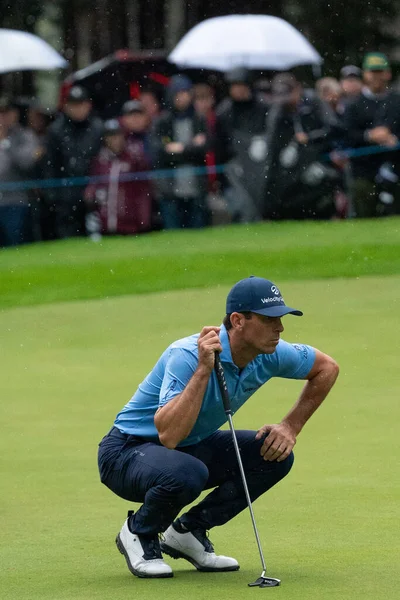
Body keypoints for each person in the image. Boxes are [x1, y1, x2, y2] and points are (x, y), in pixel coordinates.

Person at [98, 276, 339, 579]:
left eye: (280, 319)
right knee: (188, 472)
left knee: (275, 455)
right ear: (238, 320)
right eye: (268, 320)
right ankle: (139, 531)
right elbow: (169, 436)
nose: (280, 329)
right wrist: (203, 369)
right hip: (126, 453)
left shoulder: (272, 352)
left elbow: (327, 368)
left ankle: (188, 531)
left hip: (191, 447)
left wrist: (290, 426)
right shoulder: (186, 354)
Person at [265, 73, 337, 220]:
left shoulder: (313, 101)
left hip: (321, 158)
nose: (287, 102)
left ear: (297, 89)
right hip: (292, 166)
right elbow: (271, 140)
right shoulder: (278, 110)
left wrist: (310, 137)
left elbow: (333, 128)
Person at [343, 52, 398, 217]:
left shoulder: (396, 101)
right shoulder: (354, 104)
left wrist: (393, 138)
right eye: (372, 72)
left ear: (387, 73)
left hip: (395, 167)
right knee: (365, 212)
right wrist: (369, 136)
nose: (376, 76)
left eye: (380, 72)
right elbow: (347, 134)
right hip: (364, 169)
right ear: (365, 74)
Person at [44, 85, 103, 238]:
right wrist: (53, 195)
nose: (78, 109)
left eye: (81, 104)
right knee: (68, 236)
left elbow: (102, 161)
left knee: (95, 237)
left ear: (88, 105)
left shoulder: (97, 128)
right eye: (73, 105)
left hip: (93, 194)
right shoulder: (56, 130)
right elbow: (50, 164)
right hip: (65, 194)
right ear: (66, 106)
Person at [150, 74, 208, 229]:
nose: (182, 98)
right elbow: (160, 150)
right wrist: (190, 147)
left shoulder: (198, 119)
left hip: (196, 185)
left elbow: (204, 147)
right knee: (173, 231)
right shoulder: (162, 121)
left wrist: (179, 149)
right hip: (170, 187)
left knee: (198, 230)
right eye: (178, 93)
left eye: (186, 93)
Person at [214, 67, 269, 222]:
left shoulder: (263, 106)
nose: (238, 90)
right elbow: (219, 144)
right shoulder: (224, 111)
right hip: (235, 164)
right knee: (243, 202)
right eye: (234, 86)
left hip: (260, 163)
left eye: (241, 85)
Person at [84, 119, 152, 236]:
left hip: (130, 225)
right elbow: (93, 187)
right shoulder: (100, 160)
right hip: (105, 224)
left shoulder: (134, 158)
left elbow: (143, 191)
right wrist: (90, 195)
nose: (114, 140)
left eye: (117, 135)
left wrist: (143, 220)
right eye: (110, 136)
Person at [0, 98, 39, 247]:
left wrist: (5, 141)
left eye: (5, 112)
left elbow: (26, 163)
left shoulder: (25, 136)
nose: (2, 117)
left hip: (15, 202)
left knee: (15, 245)